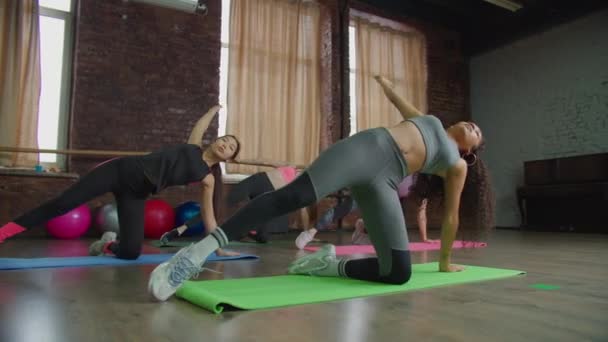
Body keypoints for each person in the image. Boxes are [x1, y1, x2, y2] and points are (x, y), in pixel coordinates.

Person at [148, 75, 492, 301]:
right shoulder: (430, 120)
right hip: (366, 149)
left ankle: (326, 266)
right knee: (294, 196)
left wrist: (445, 261)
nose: (472, 126)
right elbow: (400, 103)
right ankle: (195, 254)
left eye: (476, 132)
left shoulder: (457, 165)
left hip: (384, 182)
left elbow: (451, 217)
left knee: (398, 273)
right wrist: (385, 83)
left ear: (469, 153)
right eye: (472, 124)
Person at [0, 105, 241, 260]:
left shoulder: (207, 178)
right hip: (118, 171)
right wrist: (212, 112)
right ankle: (4, 233)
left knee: (130, 252)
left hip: (136, 194)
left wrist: (217, 247)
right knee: (63, 204)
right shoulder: (192, 147)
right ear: (216, 139)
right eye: (225, 139)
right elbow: (200, 126)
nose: (224, 144)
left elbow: (209, 217)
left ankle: (107, 246)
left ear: (230, 158)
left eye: (230, 147)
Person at [159, 165, 308, 245]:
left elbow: (302, 207)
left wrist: (307, 230)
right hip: (256, 182)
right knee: (219, 209)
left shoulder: (301, 186)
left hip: (266, 195)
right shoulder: (292, 168)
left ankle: (248, 232)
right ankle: (178, 230)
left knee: (264, 239)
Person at [294, 174, 436, 249]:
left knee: (388, 229)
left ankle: (363, 228)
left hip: (385, 195)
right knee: (344, 209)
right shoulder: (406, 172)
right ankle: (310, 233)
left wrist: (424, 238)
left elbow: (421, 212)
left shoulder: (421, 188)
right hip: (369, 186)